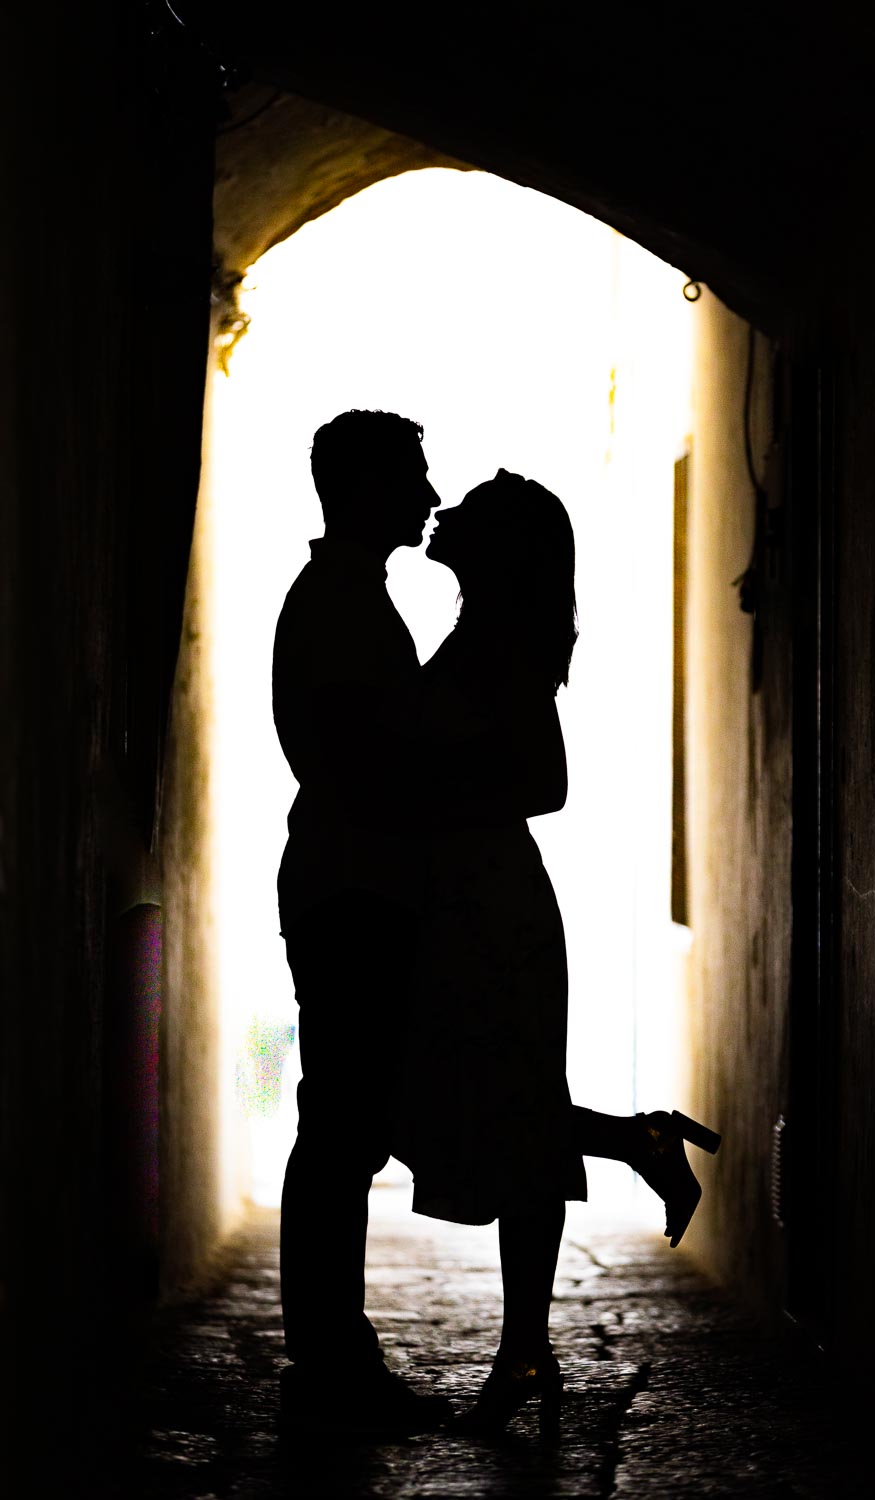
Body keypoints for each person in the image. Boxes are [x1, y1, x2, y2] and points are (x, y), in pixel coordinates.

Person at [397, 470, 720, 1437]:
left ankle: (528, 1348)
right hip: (470, 900)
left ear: (500, 550)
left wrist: (423, 797)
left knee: (509, 1114)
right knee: (498, 1109)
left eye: (473, 513)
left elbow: (547, 781)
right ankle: (634, 1146)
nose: (444, 511)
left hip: (491, 904)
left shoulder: (502, 644)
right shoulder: (486, 633)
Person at [271, 408, 451, 1434]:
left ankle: (330, 1350)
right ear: (368, 483)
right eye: (413, 477)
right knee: (341, 1125)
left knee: (342, 1123)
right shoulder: (340, 606)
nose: (429, 497)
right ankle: (330, 1358)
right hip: (354, 887)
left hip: (353, 880)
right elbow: (360, 761)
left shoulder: (344, 599)